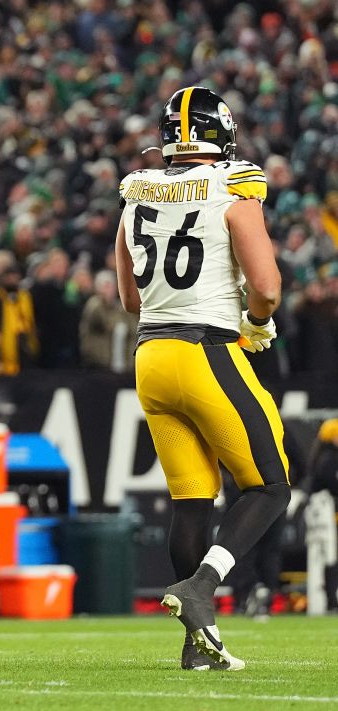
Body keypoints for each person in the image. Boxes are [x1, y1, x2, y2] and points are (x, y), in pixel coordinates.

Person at [116, 87, 288, 671]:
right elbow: (265, 287)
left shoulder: (134, 196)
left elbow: (127, 297)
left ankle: (200, 644)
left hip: (150, 357)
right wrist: (256, 323)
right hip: (204, 349)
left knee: (192, 501)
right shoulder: (234, 191)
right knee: (269, 485)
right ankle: (201, 586)